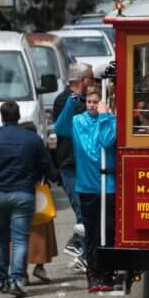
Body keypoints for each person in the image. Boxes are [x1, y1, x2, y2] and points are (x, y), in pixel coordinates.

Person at [0, 101, 56, 297]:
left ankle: (1, 279)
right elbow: (45, 164)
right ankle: (17, 278)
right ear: (19, 116)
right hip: (23, 193)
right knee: (20, 239)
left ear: (2, 117)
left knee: (0, 239)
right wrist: (56, 177)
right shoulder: (32, 139)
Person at [54, 83, 116, 293]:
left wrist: (105, 116)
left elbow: (107, 142)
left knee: (107, 231)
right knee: (91, 233)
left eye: (95, 102)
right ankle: (93, 273)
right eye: (89, 101)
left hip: (107, 185)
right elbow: (59, 129)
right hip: (86, 185)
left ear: (102, 103)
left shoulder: (110, 120)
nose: (91, 105)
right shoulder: (77, 121)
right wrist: (70, 105)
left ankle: (107, 273)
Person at [53, 62, 93, 271]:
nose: (93, 83)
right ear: (82, 80)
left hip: (87, 164)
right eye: (91, 79)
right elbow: (76, 110)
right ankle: (83, 253)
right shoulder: (64, 100)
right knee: (81, 210)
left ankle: (84, 250)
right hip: (71, 166)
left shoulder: (83, 99)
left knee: (88, 210)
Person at [22, 122, 58, 284]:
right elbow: (48, 167)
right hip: (39, 194)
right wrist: (56, 176)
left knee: (19, 235)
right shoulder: (38, 145)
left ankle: (21, 272)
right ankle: (39, 267)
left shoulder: (18, 147)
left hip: (19, 191)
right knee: (41, 233)